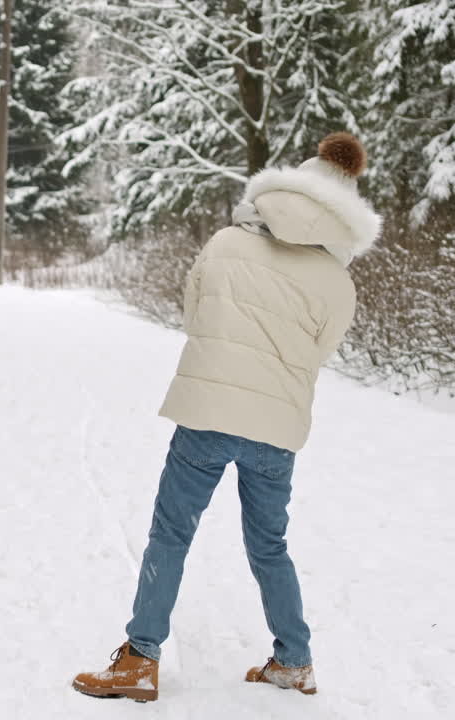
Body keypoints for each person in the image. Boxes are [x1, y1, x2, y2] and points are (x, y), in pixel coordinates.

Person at [72, 133, 381, 701]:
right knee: (269, 545)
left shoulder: (226, 242)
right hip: (277, 429)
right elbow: (318, 353)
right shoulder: (338, 282)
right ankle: (293, 660)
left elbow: (197, 316)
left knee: (172, 532)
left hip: (207, 411)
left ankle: (139, 661)